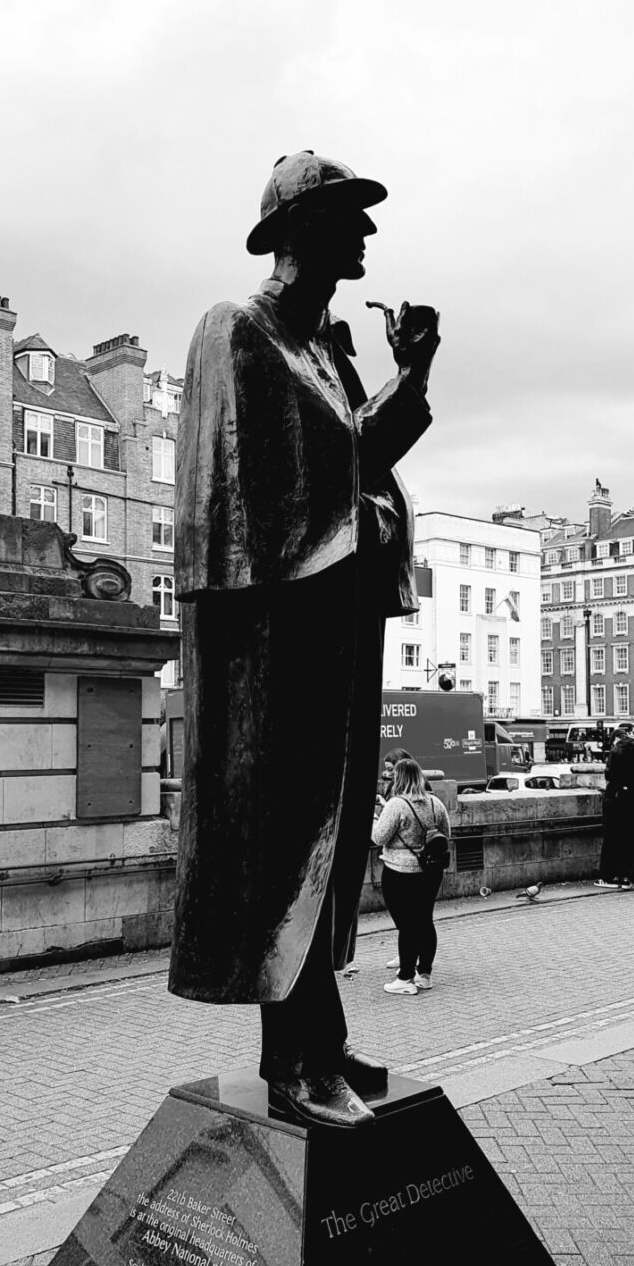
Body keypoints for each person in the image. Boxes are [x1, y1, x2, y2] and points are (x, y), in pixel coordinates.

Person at [169, 151, 440, 1129]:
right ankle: (288, 1059)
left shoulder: (326, 346)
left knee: (325, 835)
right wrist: (353, 511)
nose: (365, 234)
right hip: (268, 633)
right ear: (296, 231)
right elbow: (248, 497)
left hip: (335, 620)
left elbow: (356, 449)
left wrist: (412, 373)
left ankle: (318, 1039)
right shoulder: (234, 329)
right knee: (284, 835)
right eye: (345, 217)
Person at [371, 758, 450, 996]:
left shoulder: (396, 804)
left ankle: (405, 978)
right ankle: (424, 974)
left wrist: (376, 817)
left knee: (406, 925)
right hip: (430, 871)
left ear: (399, 778)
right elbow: (446, 834)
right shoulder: (436, 803)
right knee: (425, 921)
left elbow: (378, 837)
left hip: (400, 872)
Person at [595, 721, 634, 888]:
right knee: (633, 840)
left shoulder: (617, 750)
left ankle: (611, 876)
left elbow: (610, 774)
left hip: (618, 801)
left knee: (613, 839)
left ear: (616, 739)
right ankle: (631, 874)